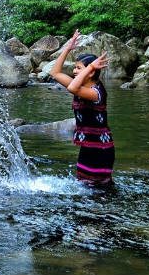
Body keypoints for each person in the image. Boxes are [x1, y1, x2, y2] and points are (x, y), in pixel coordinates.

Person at [50, 29, 114, 186]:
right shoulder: (78, 85)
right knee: (84, 186)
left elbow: (73, 89)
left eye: (78, 68)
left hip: (101, 148)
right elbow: (55, 73)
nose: (74, 71)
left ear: (90, 73)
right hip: (88, 146)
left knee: (98, 190)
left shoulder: (95, 93)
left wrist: (91, 67)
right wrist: (67, 48)